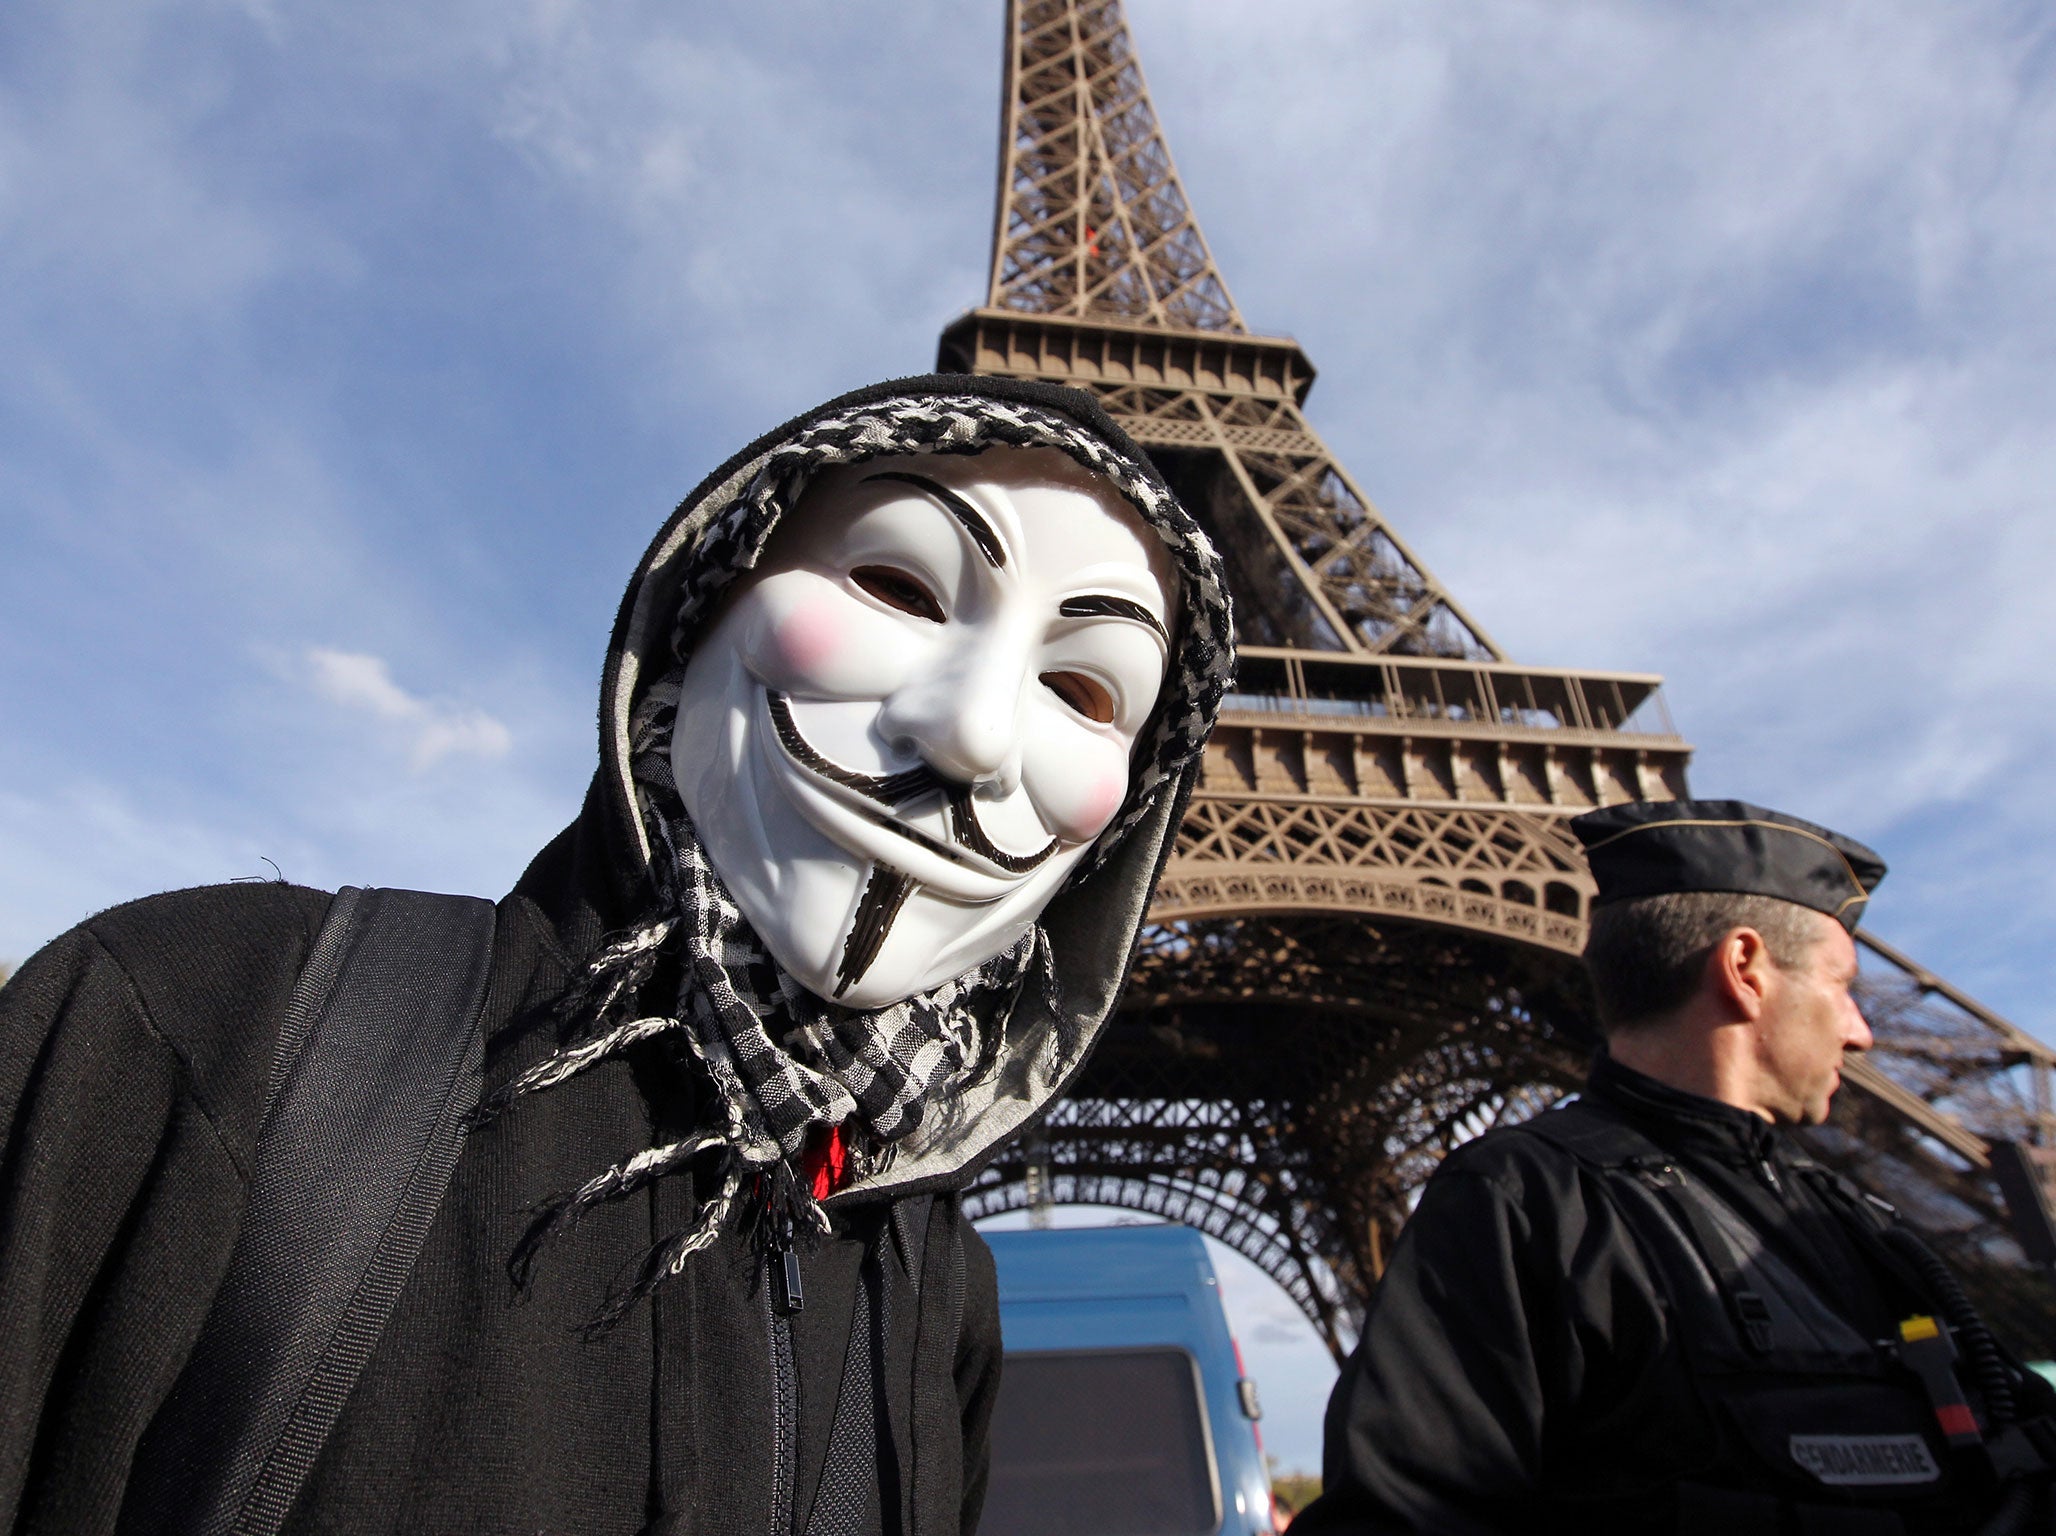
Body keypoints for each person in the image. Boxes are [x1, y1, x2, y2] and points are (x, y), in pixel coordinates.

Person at [0, 374, 1234, 1535]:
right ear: (695, 613)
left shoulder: (935, 1289)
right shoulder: (210, 1024)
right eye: (901, 589)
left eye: (1083, 690)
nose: (972, 730)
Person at [1294, 798, 2056, 1535]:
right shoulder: (1519, 1204)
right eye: (1843, 985)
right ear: (1746, 967)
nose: (1861, 1033)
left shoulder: (1858, 1225)